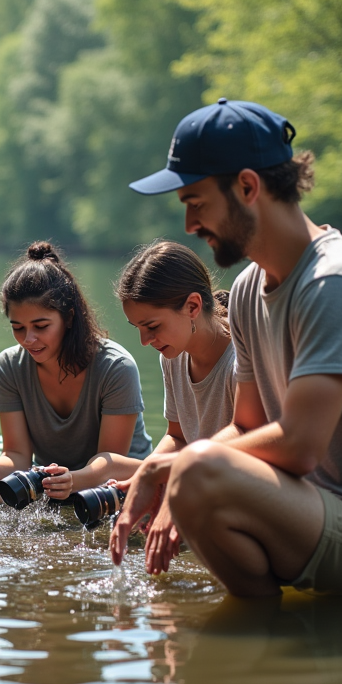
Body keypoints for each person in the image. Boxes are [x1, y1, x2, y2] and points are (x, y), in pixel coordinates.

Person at [111, 98, 342, 596]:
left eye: (196, 202)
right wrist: (160, 474)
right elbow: (246, 427)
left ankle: (265, 639)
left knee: (196, 472)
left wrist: (173, 467)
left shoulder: (336, 282)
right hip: (322, 512)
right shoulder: (245, 292)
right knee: (195, 473)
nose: (190, 225)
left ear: (247, 187)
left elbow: (299, 446)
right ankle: (264, 646)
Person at [0, 242, 152, 506]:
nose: (28, 340)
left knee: (97, 502)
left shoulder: (116, 368)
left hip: (110, 485)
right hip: (52, 486)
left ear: (69, 318)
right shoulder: (9, 365)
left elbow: (108, 462)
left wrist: (71, 480)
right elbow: (17, 455)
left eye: (40, 326)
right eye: (18, 328)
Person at [113, 240, 237, 573]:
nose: (144, 341)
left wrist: (172, 493)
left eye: (152, 326)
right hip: (196, 482)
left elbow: (246, 451)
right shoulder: (173, 354)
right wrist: (146, 477)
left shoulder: (241, 363)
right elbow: (178, 437)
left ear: (193, 306)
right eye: (137, 328)